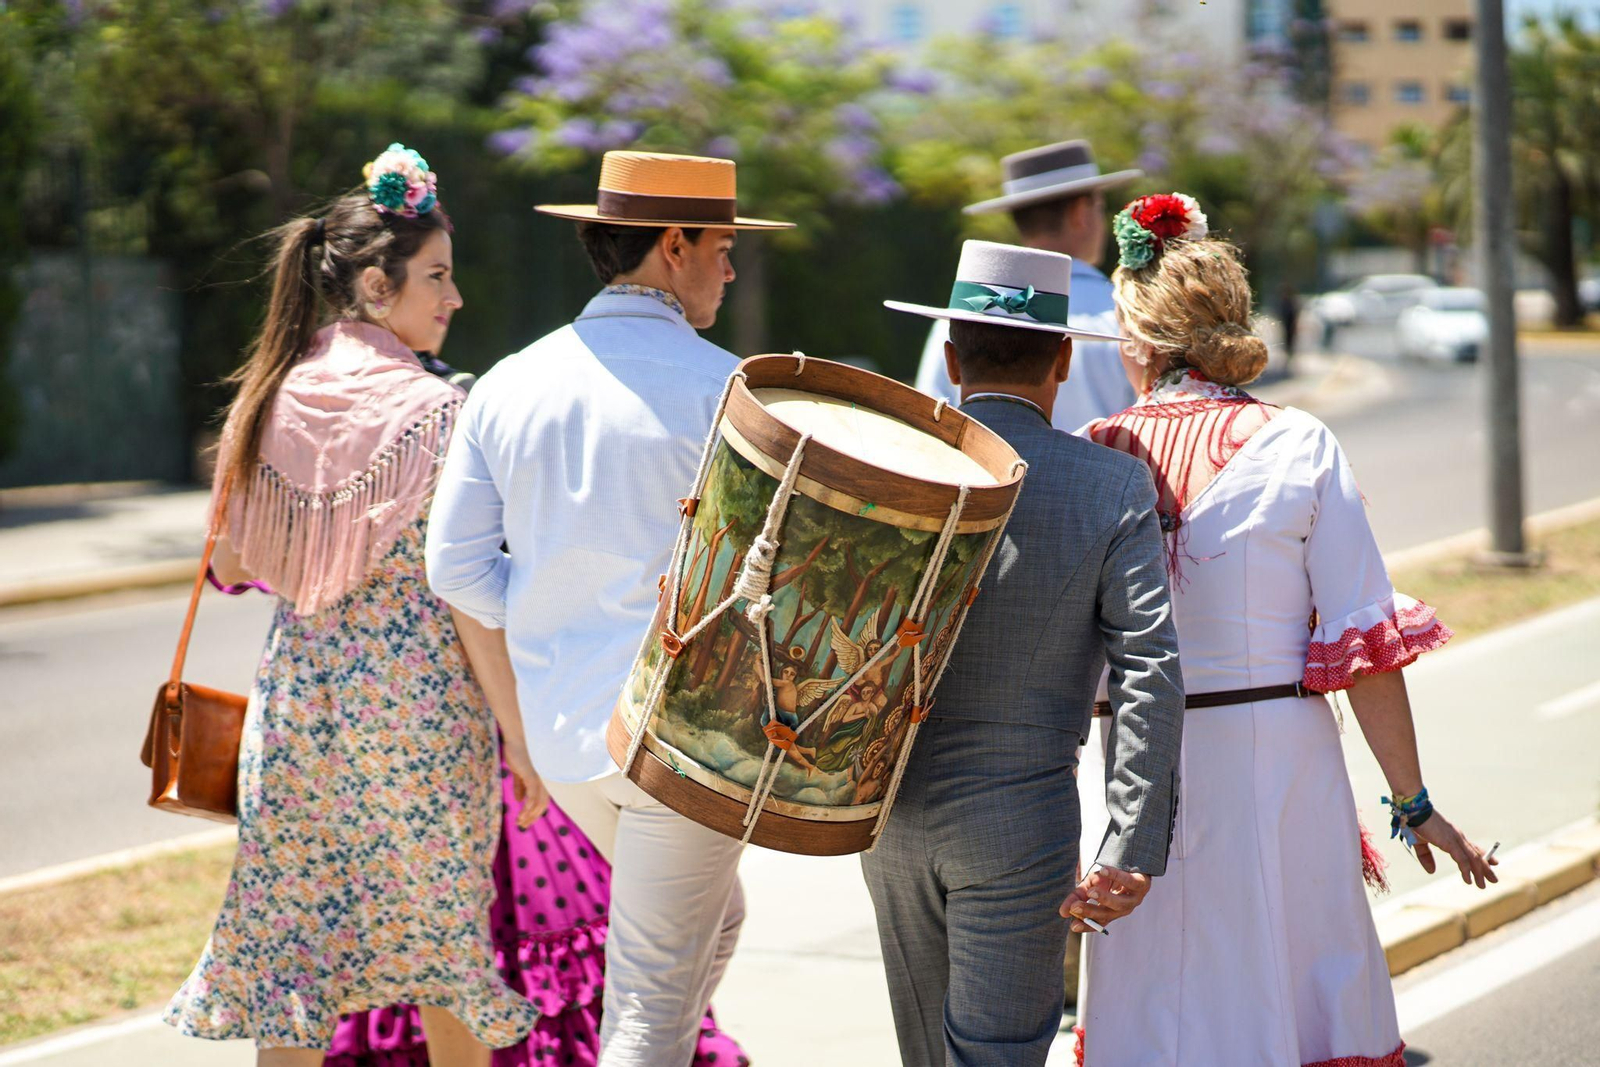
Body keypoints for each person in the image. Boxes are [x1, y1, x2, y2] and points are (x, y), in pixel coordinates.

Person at [1076, 193, 1498, 1067]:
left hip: (1133, 775)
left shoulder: (1094, 451)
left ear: (1140, 339)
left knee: (1160, 995)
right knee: (1283, 982)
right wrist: (1414, 806)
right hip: (1277, 761)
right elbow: (1366, 649)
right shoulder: (1299, 442)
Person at [164, 145, 539, 1065]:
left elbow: (241, 563)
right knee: (447, 963)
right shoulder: (441, 413)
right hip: (421, 726)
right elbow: (465, 596)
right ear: (377, 284)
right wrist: (519, 736)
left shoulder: (268, 396)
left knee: (290, 972)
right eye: (438, 277)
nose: (455, 299)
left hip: (297, 721)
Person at [424, 150, 793, 1066]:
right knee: (648, 1011)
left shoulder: (507, 380)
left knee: (706, 929)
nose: (731, 265)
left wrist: (556, 604)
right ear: (673, 245)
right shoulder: (728, 389)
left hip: (565, 734)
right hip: (683, 741)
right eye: (722, 245)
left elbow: (454, 569)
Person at [865, 239, 1186, 1065]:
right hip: (1022, 823)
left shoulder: (898, 470)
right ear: (1067, 359)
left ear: (949, 356)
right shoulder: (1112, 485)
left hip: (887, 818)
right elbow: (1150, 667)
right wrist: (1132, 840)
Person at [914, 140, 1141, 431]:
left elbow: (931, 420)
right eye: (1099, 206)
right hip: (1108, 475)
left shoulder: (962, 314)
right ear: (1080, 212)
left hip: (983, 475)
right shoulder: (1127, 316)